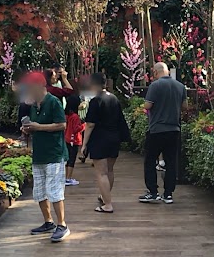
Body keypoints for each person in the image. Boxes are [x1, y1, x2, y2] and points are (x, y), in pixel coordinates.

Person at [17, 67, 72, 243]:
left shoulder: (53, 102)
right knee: (39, 191)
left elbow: (62, 124)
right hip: (39, 153)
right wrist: (27, 129)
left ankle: (62, 224)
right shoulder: (33, 105)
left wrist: (38, 127)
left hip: (54, 153)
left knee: (55, 190)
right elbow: (35, 125)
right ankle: (48, 221)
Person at [138, 59, 188, 204]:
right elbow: (185, 106)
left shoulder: (155, 86)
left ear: (155, 71)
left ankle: (153, 192)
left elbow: (148, 105)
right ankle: (168, 194)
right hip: (174, 129)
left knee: (150, 161)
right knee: (171, 161)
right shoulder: (180, 86)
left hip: (156, 130)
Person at [78, 75, 128, 214]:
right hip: (114, 137)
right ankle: (105, 197)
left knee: (101, 173)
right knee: (110, 170)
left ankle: (108, 204)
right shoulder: (114, 98)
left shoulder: (96, 101)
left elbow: (90, 124)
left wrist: (84, 144)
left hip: (100, 138)